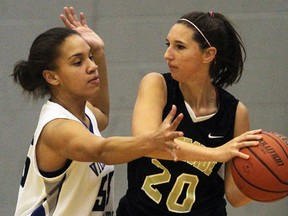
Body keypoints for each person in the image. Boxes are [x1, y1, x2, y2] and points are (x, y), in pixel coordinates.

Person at [13, 7, 185, 216]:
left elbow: (101, 115)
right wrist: (152, 141)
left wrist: (100, 52)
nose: (92, 66)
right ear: (52, 77)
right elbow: (103, 150)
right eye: (78, 62)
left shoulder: (82, 112)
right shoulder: (58, 128)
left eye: (90, 57)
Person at [116, 11, 262, 216]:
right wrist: (215, 154)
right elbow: (145, 144)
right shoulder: (157, 85)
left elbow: (235, 197)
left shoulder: (235, 112)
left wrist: (268, 180)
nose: (167, 55)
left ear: (208, 54)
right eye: (168, 45)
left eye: (180, 47)